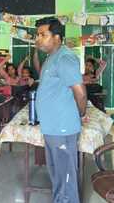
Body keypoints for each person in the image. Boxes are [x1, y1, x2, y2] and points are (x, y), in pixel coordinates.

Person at [34, 17, 87, 203]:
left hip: (62, 128)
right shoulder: (51, 57)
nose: (37, 39)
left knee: (65, 176)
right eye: (37, 35)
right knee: (57, 173)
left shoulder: (64, 58)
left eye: (43, 35)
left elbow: (80, 93)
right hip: (52, 128)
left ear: (57, 37)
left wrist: (79, 114)